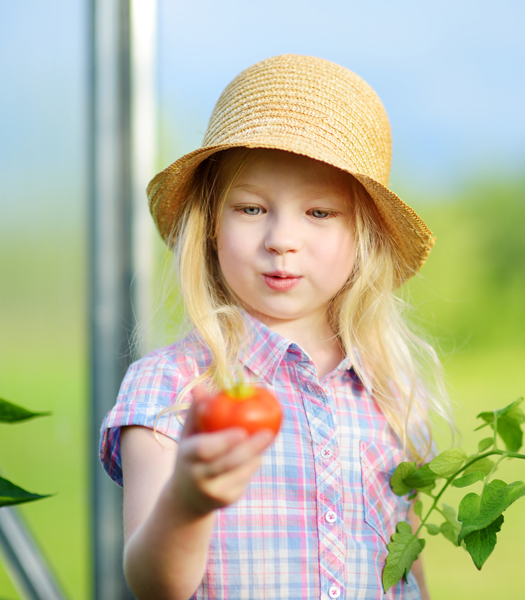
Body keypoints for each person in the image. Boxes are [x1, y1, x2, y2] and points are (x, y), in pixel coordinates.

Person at [99, 54, 453, 600]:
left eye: (319, 213)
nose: (282, 239)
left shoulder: (391, 392)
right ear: (211, 227)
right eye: (250, 209)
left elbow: (406, 562)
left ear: (363, 237)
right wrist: (189, 502)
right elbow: (153, 584)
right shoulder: (172, 389)